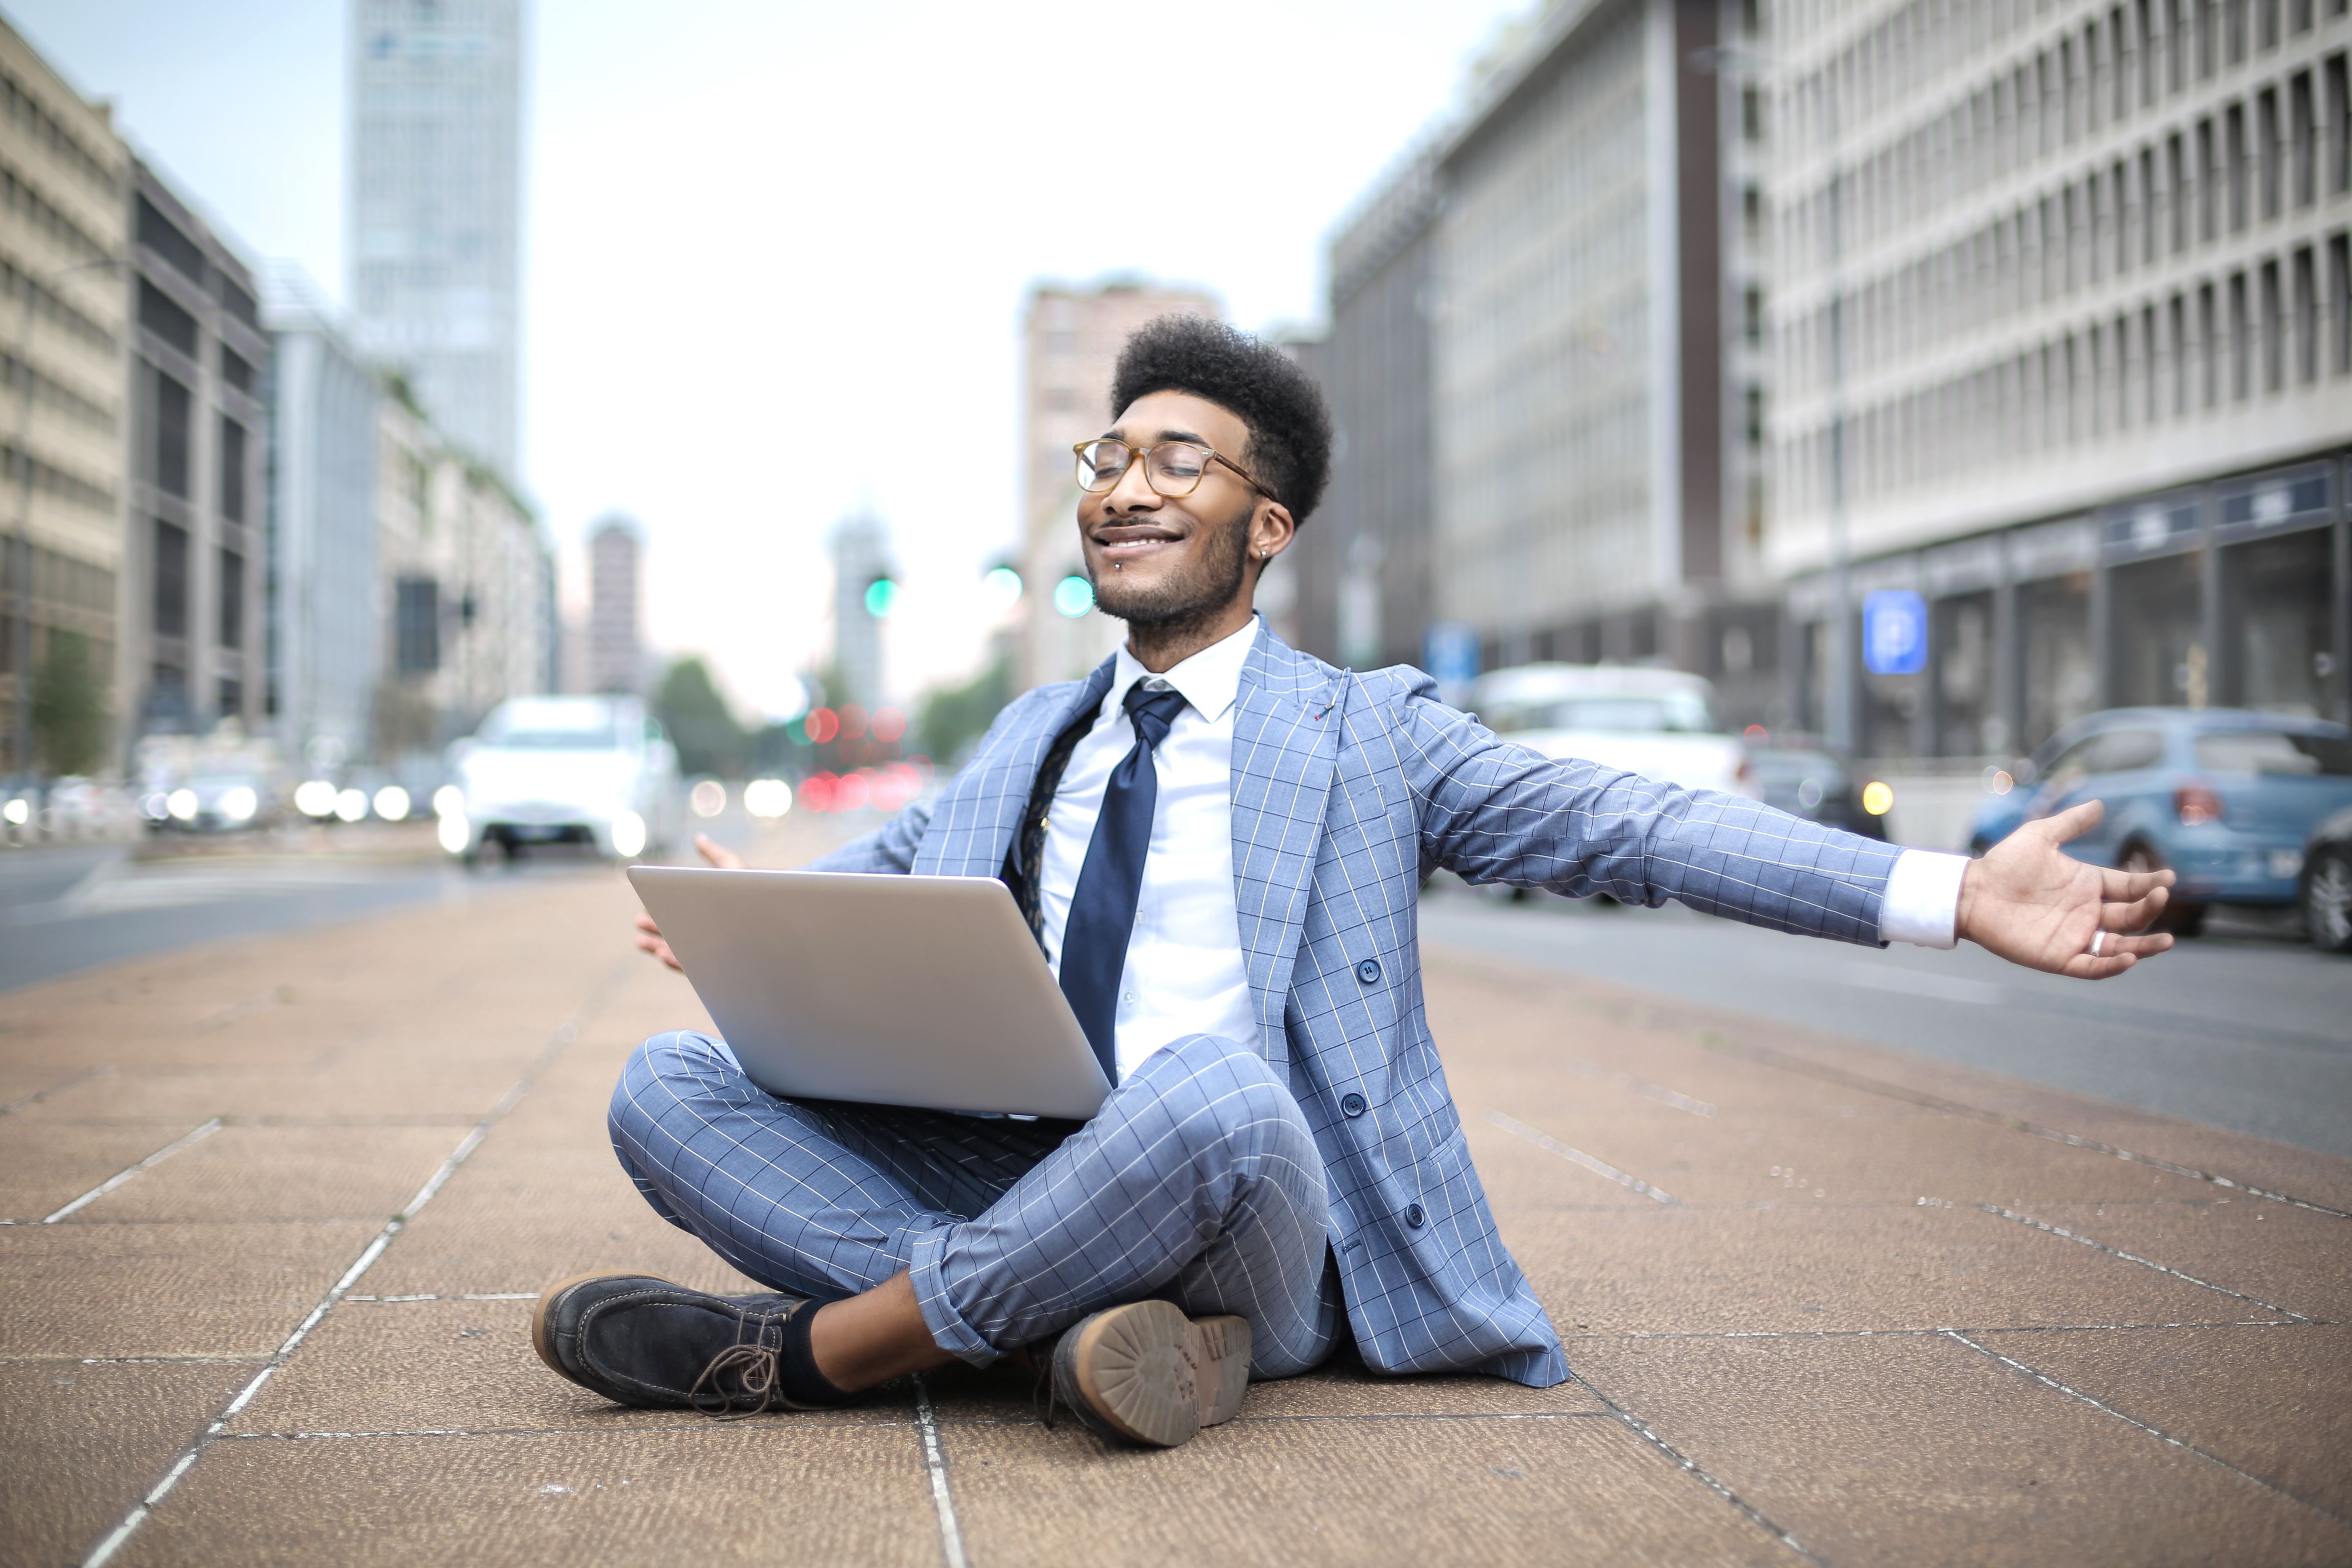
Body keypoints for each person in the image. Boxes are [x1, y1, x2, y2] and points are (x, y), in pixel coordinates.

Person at [530, 316, 2174, 1450]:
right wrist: (761, 920)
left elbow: (1633, 826)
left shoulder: (1367, 734)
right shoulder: (1033, 733)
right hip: (1007, 1168)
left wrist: (1949, 890)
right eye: (1112, 455)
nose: (1125, 484)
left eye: (1181, 462)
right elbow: (875, 888)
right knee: (664, 1086)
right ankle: (1067, 1340)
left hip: (1239, 1207)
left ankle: (821, 1358)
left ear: (1268, 530)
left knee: (1221, 1100)